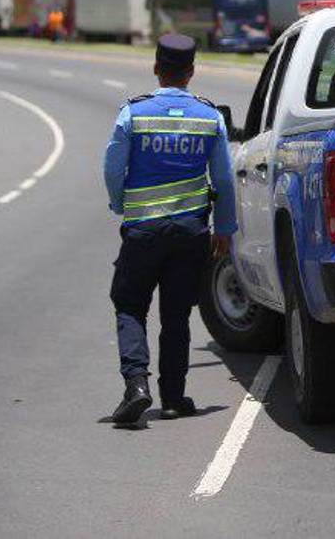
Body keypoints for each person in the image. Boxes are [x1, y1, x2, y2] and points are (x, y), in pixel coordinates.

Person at [102, 32, 237, 424]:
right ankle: (174, 398)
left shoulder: (133, 113)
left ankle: (136, 385)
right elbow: (224, 181)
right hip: (191, 232)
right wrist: (224, 228)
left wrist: (120, 203)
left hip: (142, 231)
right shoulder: (210, 117)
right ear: (191, 73)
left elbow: (112, 167)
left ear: (156, 69)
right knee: (176, 315)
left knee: (129, 305)